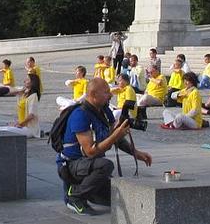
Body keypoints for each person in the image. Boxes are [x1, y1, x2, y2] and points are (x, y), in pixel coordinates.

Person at [57, 78, 152, 215]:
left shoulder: (104, 110)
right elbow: (90, 151)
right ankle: (75, 194)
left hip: (89, 167)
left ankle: (87, 192)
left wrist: (136, 153)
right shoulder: (80, 115)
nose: (111, 95)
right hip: (72, 166)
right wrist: (116, 135)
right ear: (94, 95)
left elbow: (115, 137)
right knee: (106, 165)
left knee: (118, 199)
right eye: (106, 92)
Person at [0, 73, 42, 138]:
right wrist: (15, 124)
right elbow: (9, 92)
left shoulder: (33, 96)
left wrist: (19, 124)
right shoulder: (23, 94)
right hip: (21, 126)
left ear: (32, 82)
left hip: (29, 129)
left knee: (0, 131)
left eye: (27, 79)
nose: (24, 80)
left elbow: (31, 115)